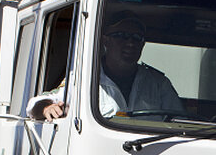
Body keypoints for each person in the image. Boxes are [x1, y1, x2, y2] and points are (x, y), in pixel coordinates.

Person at [33, 10, 182, 121]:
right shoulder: (84, 78)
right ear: (105, 40)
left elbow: (180, 121)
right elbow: (36, 104)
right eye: (122, 36)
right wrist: (47, 107)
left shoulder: (158, 84)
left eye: (136, 38)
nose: (130, 43)